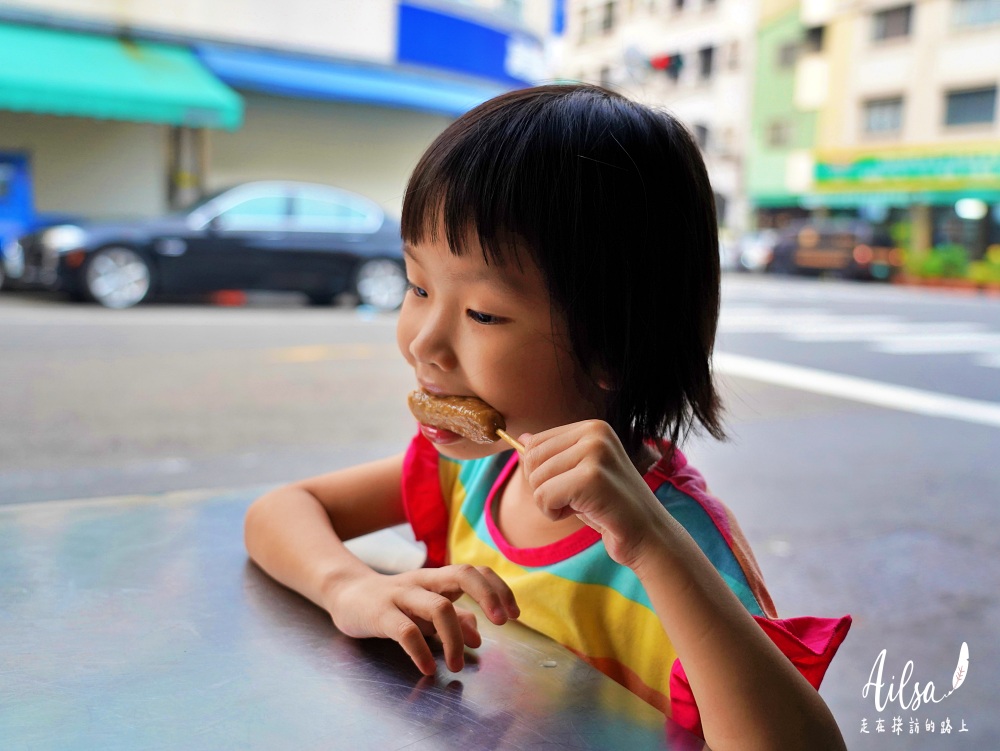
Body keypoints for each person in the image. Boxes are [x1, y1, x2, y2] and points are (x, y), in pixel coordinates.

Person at [244, 84, 851, 750]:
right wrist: (350, 588)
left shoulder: (681, 552)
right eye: (418, 286)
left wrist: (650, 543)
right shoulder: (479, 473)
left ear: (613, 347)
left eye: (484, 314)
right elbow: (279, 509)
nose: (422, 341)